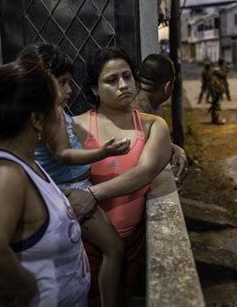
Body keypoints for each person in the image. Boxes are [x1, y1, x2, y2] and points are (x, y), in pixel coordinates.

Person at [0, 61, 90, 306]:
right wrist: (25, 286)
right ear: (36, 119)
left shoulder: (22, 162)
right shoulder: (5, 173)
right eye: (58, 106)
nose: (63, 114)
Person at [19, 44, 127, 307]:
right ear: (43, 80)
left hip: (64, 189)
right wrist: (101, 153)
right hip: (71, 191)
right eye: (64, 82)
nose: (69, 90)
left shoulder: (41, 110)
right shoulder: (50, 112)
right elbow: (64, 155)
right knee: (114, 249)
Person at [68, 47, 172, 299]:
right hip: (86, 245)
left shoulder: (152, 126)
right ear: (95, 89)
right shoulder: (78, 126)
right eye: (111, 80)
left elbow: (144, 172)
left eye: (127, 76)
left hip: (133, 243)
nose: (123, 85)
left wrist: (93, 193)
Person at [134, 53, 189, 183]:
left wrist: (177, 150)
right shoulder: (134, 112)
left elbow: (153, 143)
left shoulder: (154, 106)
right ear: (168, 87)